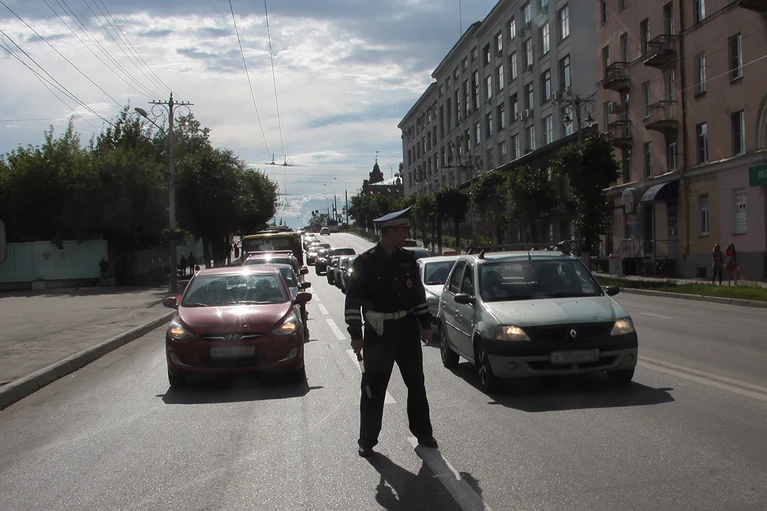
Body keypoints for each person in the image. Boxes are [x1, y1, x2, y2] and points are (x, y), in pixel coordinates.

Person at [344, 207, 437, 458]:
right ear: (391, 231)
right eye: (403, 229)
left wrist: (425, 324)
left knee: (416, 384)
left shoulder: (407, 259)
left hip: (406, 329)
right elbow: (353, 301)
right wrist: (356, 335)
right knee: (373, 387)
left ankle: (423, 433)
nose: (407, 233)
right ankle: (367, 440)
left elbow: (417, 295)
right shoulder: (364, 262)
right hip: (378, 333)